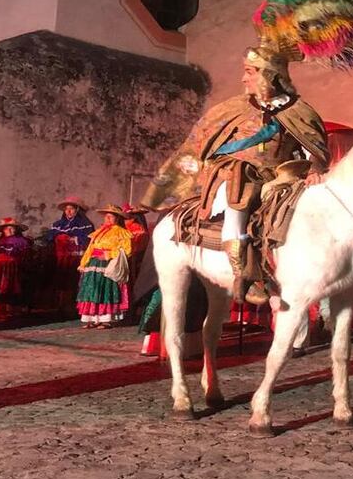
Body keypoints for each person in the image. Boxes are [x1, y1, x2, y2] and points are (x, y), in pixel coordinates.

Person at [141, 46, 330, 305]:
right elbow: (199, 143)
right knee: (236, 199)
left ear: (270, 74)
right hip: (236, 173)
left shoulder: (300, 111)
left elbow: (313, 149)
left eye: (250, 72)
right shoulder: (232, 108)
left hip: (282, 176)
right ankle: (243, 273)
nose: (243, 79)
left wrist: (316, 170)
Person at [76, 204, 133, 329]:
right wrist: (84, 263)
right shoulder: (98, 232)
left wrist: (108, 255)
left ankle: (105, 319)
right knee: (91, 290)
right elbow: (90, 248)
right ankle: (92, 318)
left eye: (111, 217)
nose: (107, 219)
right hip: (93, 264)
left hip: (108, 264)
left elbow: (126, 251)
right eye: (106, 217)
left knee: (105, 290)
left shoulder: (122, 233)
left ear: (117, 218)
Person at [47, 196, 94, 312]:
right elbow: (49, 237)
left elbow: (88, 238)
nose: (68, 211)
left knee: (73, 279)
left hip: (76, 257)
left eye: (71, 208)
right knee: (61, 278)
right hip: (61, 259)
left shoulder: (85, 224)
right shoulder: (58, 224)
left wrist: (72, 239)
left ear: (77, 210)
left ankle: (74, 305)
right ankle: (60, 304)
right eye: (66, 209)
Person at [0, 217, 32, 317]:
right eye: (6, 228)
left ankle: (10, 309)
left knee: (10, 288)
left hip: (12, 271)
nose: (9, 230)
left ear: (16, 229)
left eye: (11, 228)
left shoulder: (22, 242)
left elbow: (25, 257)